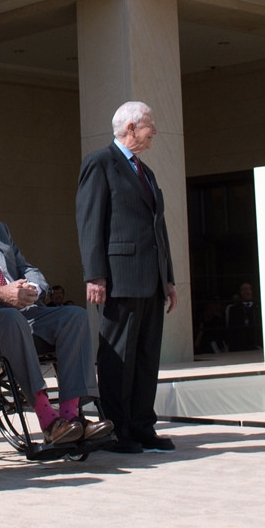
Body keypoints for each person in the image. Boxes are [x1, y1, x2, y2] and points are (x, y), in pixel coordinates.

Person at [0, 162, 113, 446]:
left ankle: (71, 417)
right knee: (9, 319)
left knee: (74, 316)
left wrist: (35, 288)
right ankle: (47, 420)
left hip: (22, 310)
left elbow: (26, 267)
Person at [77, 100, 178, 455]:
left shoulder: (146, 172)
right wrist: (95, 275)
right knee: (119, 356)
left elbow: (158, 228)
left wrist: (169, 278)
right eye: (149, 124)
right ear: (131, 128)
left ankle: (142, 425)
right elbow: (90, 222)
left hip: (150, 279)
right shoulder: (100, 163)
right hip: (118, 278)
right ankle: (118, 430)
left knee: (147, 355)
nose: (154, 130)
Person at [225, 282, 261, 352]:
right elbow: (231, 329)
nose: (246, 291)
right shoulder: (234, 309)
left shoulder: (259, 308)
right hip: (240, 346)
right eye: (243, 289)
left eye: (248, 289)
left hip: (256, 344)